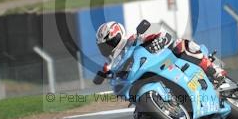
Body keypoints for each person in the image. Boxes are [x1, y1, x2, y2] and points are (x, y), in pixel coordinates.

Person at [95, 21, 227, 87]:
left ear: (119, 34)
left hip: (164, 60)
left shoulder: (133, 39)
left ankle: (213, 70)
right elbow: (107, 70)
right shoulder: (113, 62)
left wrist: (158, 40)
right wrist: (103, 75)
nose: (108, 47)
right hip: (144, 75)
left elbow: (160, 33)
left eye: (110, 42)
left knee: (181, 44)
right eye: (104, 46)